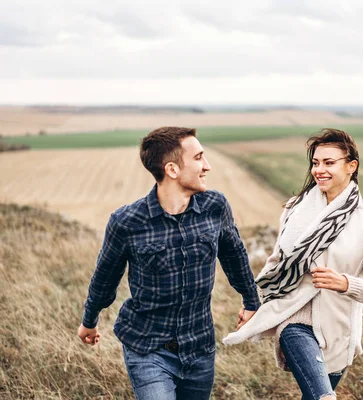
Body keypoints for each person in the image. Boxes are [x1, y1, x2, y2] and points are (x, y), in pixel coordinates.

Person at [77, 126, 260, 400]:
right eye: (198, 158)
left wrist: (251, 302)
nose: (207, 166)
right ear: (172, 169)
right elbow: (105, 276)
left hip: (200, 348)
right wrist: (89, 321)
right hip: (148, 349)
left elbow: (234, 254)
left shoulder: (215, 207)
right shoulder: (127, 222)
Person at [223, 128, 363, 400]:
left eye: (329, 162)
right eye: (315, 163)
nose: (319, 170)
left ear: (352, 166)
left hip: (339, 329)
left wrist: (346, 283)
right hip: (294, 319)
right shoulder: (295, 209)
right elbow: (277, 265)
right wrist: (253, 305)